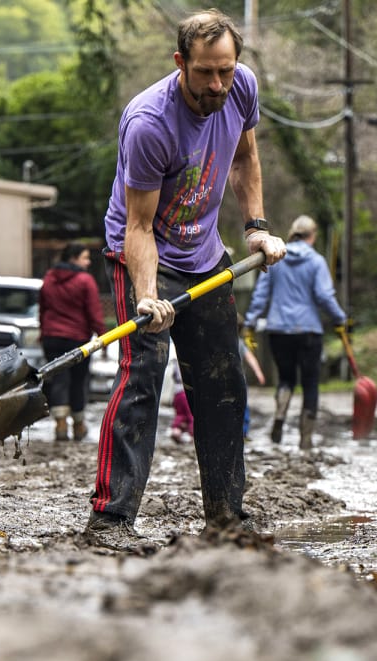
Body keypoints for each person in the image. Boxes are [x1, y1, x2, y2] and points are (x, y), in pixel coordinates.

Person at [86, 8, 286, 550]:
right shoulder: (149, 123)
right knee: (143, 378)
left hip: (206, 253)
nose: (217, 85)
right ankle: (110, 519)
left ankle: (226, 516)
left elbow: (245, 159)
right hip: (142, 252)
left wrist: (257, 229)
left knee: (223, 384)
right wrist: (148, 297)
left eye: (225, 70)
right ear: (181, 63)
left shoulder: (241, 88)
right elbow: (140, 225)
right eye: (205, 73)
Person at [242, 214, 346, 450]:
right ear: (312, 235)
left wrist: (250, 321)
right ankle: (306, 439)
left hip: (278, 330)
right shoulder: (317, 261)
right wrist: (340, 319)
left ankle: (280, 412)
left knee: (286, 378)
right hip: (309, 330)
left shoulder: (276, 257)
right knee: (310, 384)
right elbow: (324, 296)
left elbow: (261, 295)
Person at [38, 242, 106, 441]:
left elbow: (43, 308)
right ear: (73, 258)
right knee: (78, 380)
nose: (88, 261)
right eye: (85, 257)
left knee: (58, 379)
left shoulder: (49, 278)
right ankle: (78, 425)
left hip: (51, 338)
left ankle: (60, 425)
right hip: (77, 339)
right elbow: (94, 312)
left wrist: (43, 333)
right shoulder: (85, 281)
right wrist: (103, 335)